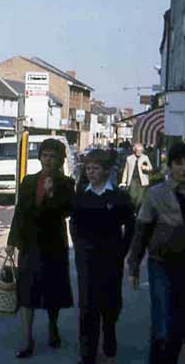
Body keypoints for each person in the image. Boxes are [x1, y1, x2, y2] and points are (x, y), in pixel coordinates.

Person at [6, 138, 75, 359]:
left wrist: (52, 193)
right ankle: (27, 341)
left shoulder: (66, 184)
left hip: (53, 245)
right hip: (30, 245)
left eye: (53, 156)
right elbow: (19, 212)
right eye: (45, 155)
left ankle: (53, 326)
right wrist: (11, 242)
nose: (48, 159)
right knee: (27, 293)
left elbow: (66, 211)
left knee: (52, 292)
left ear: (60, 160)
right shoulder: (28, 181)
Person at [70, 149, 135, 364]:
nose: (91, 172)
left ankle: (109, 348)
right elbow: (74, 224)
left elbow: (130, 226)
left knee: (109, 306)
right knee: (87, 307)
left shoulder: (118, 197)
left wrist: (122, 251)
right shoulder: (82, 195)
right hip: (87, 260)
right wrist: (80, 248)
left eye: (95, 168)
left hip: (111, 259)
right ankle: (87, 354)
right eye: (88, 168)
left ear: (106, 171)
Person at [128, 141, 185, 364]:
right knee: (163, 322)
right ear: (170, 165)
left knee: (179, 323)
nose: (183, 168)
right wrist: (133, 266)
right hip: (161, 263)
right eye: (179, 163)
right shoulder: (156, 194)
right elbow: (141, 231)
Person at [120, 142, 152, 212]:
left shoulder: (145, 157)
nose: (139, 152)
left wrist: (146, 167)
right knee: (132, 196)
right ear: (134, 150)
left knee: (140, 199)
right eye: (138, 150)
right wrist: (123, 181)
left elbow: (150, 168)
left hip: (143, 181)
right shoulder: (129, 158)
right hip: (132, 180)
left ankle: (136, 211)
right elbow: (126, 170)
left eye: (141, 151)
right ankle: (133, 210)